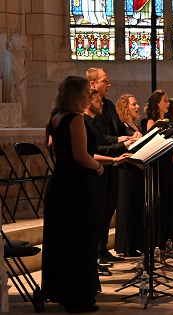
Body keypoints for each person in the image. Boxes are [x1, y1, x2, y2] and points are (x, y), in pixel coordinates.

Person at [43, 76, 105, 312]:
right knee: (81, 240)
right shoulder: (75, 119)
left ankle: (64, 291)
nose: (89, 97)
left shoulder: (55, 118)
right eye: (87, 93)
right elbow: (81, 155)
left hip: (61, 184)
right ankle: (79, 297)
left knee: (64, 240)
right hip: (78, 186)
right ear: (77, 95)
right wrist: (98, 167)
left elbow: (60, 155)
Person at [83, 89, 134, 275]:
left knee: (103, 214)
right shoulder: (84, 121)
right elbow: (94, 150)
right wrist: (115, 157)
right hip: (93, 174)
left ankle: (99, 253)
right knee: (96, 218)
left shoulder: (94, 121)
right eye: (97, 101)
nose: (101, 103)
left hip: (101, 169)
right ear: (87, 102)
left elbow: (100, 144)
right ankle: (95, 258)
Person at [114, 94, 146, 257]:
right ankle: (126, 245)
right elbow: (120, 146)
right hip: (127, 170)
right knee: (127, 206)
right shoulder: (121, 125)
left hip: (138, 170)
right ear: (125, 107)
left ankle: (137, 242)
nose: (137, 106)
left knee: (137, 206)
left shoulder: (136, 125)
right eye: (134, 104)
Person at [142, 90, 173, 246]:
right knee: (159, 200)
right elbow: (151, 143)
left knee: (169, 199)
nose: (168, 103)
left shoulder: (168, 122)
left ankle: (167, 236)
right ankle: (158, 239)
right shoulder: (151, 121)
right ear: (157, 104)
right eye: (165, 101)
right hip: (158, 164)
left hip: (168, 162)